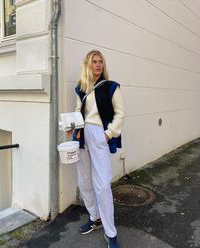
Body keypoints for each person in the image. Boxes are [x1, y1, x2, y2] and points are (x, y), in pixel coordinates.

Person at [67, 50, 124, 248]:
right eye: (94, 62)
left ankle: (111, 232)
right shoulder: (81, 88)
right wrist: (72, 126)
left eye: (100, 62)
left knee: (102, 184)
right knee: (84, 181)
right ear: (88, 65)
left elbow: (120, 114)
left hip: (99, 134)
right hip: (82, 135)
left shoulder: (111, 87)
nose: (98, 65)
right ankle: (95, 217)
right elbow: (77, 112)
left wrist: (108, 134)